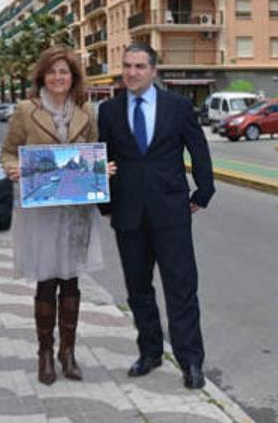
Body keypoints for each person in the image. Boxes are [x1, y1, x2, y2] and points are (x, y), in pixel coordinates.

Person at [97, 42, 214, 389]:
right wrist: (104, 202)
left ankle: (191, 361)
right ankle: (149, 352)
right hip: (128, 214)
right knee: (138, 289)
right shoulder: (109, 110)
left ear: (153, 71)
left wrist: (204, 191)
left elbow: (199, 150)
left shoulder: (177, 107)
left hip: (171, 212)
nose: (131, 73)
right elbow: (102, 158)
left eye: (139, 66)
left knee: (181, 288)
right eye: (127, 66)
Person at [0, 45, 114, 385]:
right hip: (42, 210)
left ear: (73, 77)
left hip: (75, 209)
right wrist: (13, 169)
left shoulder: (86, 110)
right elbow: (8, 152)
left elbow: (93, 151)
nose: (58, 77)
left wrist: (101, 169)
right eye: (52, 72)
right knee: (47, 279)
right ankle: (45, 353)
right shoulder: (25, 110)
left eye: (64, 72)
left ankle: (69, 352)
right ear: (43, 77)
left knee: (72, 280)